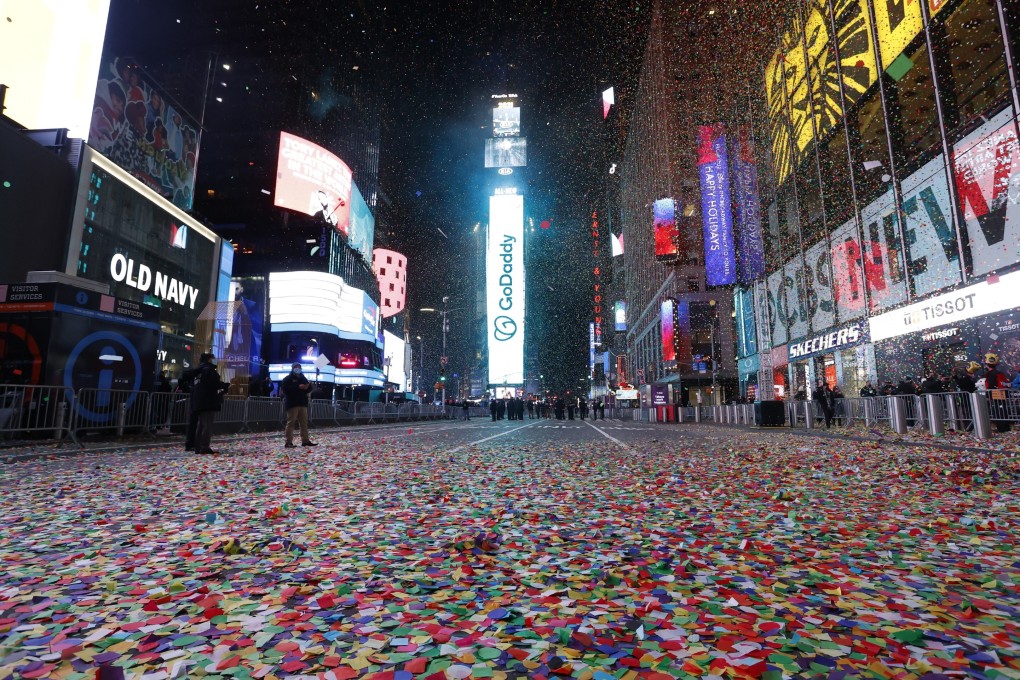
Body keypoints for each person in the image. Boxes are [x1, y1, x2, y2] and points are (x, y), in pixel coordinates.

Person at [189, 353, 229, 455]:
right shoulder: (208, 370)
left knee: (201, 424)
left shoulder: (198, 371)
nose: (215, 360)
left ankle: (198, 446)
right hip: (207, 400)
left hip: (198, 400)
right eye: (213, 359)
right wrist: (224, 385)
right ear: (209, 360)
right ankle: (204, 447)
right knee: (206, 424)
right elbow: (213, 384)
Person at [281, 362, 317, 448]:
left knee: (304, 423)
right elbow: (285, 389)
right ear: (292, 368)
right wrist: (298, 387)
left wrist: (307, 387)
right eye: (296, 367)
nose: (298, 369)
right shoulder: (288, 378)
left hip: (302, 403)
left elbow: (309, 388)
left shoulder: (302, 377)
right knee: (291, 422)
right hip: (292, 403)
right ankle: (288, 442)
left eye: (299, 367)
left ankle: (305, 440)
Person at [982, 353, 1012, 433]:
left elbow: (992, 386)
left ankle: (1002, 428)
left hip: (996, 395)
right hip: (1000, 395)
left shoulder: (992, 374)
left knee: (998, 412)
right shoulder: (998, 373)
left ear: (987, 364)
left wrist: (988, 395)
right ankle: (1004, 427)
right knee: (1001, 411)